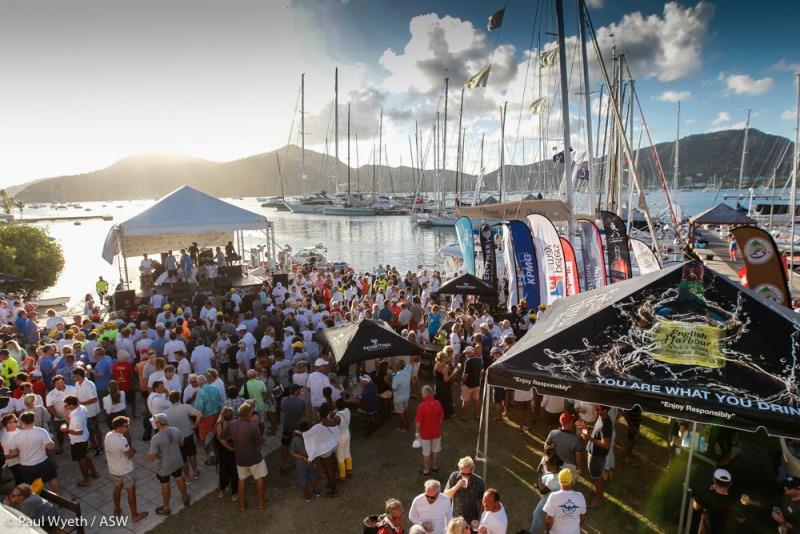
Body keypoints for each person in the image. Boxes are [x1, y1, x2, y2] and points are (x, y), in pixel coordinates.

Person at [221, 402, 267, 511]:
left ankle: (242, 505)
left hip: (240, 458)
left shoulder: (232, 424)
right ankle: (260, 503)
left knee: (241, 479)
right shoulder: (252, 427)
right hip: (254, 457)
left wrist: (232, 444)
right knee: (259, 478)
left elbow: (222, 436)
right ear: (249, 414)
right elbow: (260, 442)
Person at [104, 416, 148, 522]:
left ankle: (117, 510)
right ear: (118, 428)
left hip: (113, 470)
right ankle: (135, 515)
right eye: (125, 426)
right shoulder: (121, 440)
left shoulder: (108, 435)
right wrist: (133, 451)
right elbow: (129, 455)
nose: (127, 428)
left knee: (117, 488)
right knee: (131, 491)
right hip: (125, 470)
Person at [147, 413, 190, 515]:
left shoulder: (156, 438)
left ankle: (166, 508)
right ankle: (185, 498)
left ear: (159, 423)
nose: (154, 424)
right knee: (179, 478)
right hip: (176, 461)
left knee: (165, 484)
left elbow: (151, 457)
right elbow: (181, 443)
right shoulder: (176, 430)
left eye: (155, 422)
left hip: (164, 466)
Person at [9, 411, 60, 493]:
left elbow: (13, 453)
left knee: (33, 486)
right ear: (34, 420)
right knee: (52, 479)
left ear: (22, 422)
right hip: (42, 462)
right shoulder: (41, 431)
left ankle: (38, 502)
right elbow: (50, 446)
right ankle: (59, 501)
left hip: (26, 466)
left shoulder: (16, 436)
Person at [579, 404, 612, 508]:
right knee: (596, 476)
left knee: (596, 479)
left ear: (605, 410)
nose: (596, 410)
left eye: (598, 409)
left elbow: (605, 444)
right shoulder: (601, 417)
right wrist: (587, 427)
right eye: (596, 408)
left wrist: (589, 438)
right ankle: (597, 491)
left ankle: (599, 500)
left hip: (597, 455)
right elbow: (598, 431)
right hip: (593, 452)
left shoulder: (606, 424)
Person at [691, 468, 745, 533]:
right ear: (730, 483)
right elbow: (741, 520)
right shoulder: (734, 501)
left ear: (714, 480)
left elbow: (696, 507)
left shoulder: (705, 495)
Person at [62, 395, 99, 487]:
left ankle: (86, 480)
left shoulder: (76, 416)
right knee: (84, 456)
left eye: (66, 405)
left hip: (78, 440)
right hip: (84, 438)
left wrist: (66, 430)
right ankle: (94, 473)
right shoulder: (81, 407)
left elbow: (79, 432)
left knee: (81, 460)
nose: (65, 407)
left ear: (72, 405)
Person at [165, 391, 202, 480]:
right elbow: (199, 415)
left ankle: (187, 477)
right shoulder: (186, 407)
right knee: (192, 454)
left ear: (169, 400)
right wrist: (195, 425)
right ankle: (195, 472)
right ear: (179, 397)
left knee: (183, 458)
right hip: (188, 435)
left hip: (177, 439)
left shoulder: (166, 413)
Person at [444, 456, 485, 525]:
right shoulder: (454, 477)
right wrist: (456, 487)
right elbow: (446, 496)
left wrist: (479, 518)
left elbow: (481, 502)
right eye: (462, 473)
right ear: (459, 469)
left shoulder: (479, 482)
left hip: (472, 519)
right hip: (456, 518)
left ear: (472, 470)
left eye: (468, 474)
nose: (465, 476)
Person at [543, 468, 586, 534]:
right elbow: (582, 517)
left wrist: (547, 530)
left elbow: (549, 520)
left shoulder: (553, 496)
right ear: (572, 481)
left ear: (559, 481)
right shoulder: (580, 496)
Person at [530, 454, 563, 534]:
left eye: (547, 465)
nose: (545, 466)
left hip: (547, 501)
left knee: (537, 515)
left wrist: (539, 481)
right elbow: (542, 466)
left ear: (554, 466)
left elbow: (542, 491)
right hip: (555, 500)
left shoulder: (554, 480)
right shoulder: (560, 470)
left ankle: (532, 532)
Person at [544, 413, 584, 480]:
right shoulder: (576, 438)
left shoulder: (552, 433)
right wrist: (578, 467)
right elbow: (578, 457)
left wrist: (550, 456)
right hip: (569, 467)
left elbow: (546, 446)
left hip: (555, 463)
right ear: (571, 422)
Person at [415, 385, 444, 476]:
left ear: (424, 394)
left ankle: (426, 470)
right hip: (436, 432)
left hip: (425, 434)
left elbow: (418, 422)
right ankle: (434, 467)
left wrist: (417, 432)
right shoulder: (438, 403)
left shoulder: (421, 406)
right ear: (431, 393)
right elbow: (441, 418)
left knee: (426, 452)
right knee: (435, 450)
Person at [289, 420, 319, 502]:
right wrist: (315, 461)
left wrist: (302, 458)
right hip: (311, 461)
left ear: (299, 429)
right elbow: (316, 450)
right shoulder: (312, 438)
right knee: (313, 477)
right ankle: (316, 491)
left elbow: (292, 452)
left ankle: (307, 495)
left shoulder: (295, 439)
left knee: (303, 479)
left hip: (300, 464)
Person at [460, 347, 482, 421]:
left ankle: (464, 416)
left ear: (469, 352)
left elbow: (465, 374)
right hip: (477, 384)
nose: (466, 354)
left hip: (468, 384)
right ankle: (477, 416)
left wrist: (462, 382)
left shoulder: (468, 361)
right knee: (476, 400)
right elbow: (481, 371)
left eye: (466, 353)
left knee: (465, 401)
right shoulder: (479, 359)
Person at [0, 413, 22, 484]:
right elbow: (6, 456)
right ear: (8, 425)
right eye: (15, 421)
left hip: (24, 461)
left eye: (17, 419)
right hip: (16, 464)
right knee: (21, 482)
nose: (18, 421)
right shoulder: (5, 439)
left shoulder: (18, 430)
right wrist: (20, 451)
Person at [392, 359, 412, 432]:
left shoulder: (396, 377)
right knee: (405, 410)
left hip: (398, 398)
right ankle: (408, 425)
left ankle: (403, 427)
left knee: (401, 413)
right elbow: (410, 364)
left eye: (396, 364)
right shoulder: (408, 372)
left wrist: (389, 381)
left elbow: (394, 389)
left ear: (397, 367)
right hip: (406, 396)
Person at [434, 351, 455, 419]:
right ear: (443, 358)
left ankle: (437, 413)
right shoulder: (446, 367)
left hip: (437, 384)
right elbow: (446, 379)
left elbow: (434, 374)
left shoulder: (436, 364)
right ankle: (446, 414)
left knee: (438, 398)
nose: (447, 358)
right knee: (446, 400)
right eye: (446, 357)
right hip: (444, 385)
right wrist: (454, 373)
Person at [334, 397, 352, 480]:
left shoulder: (337, 416)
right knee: (347, 452)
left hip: (340, 436)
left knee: (340, 456)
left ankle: (342, 476)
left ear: (337, 406)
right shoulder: (347, 410)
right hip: (347, 433)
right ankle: (349, 470)